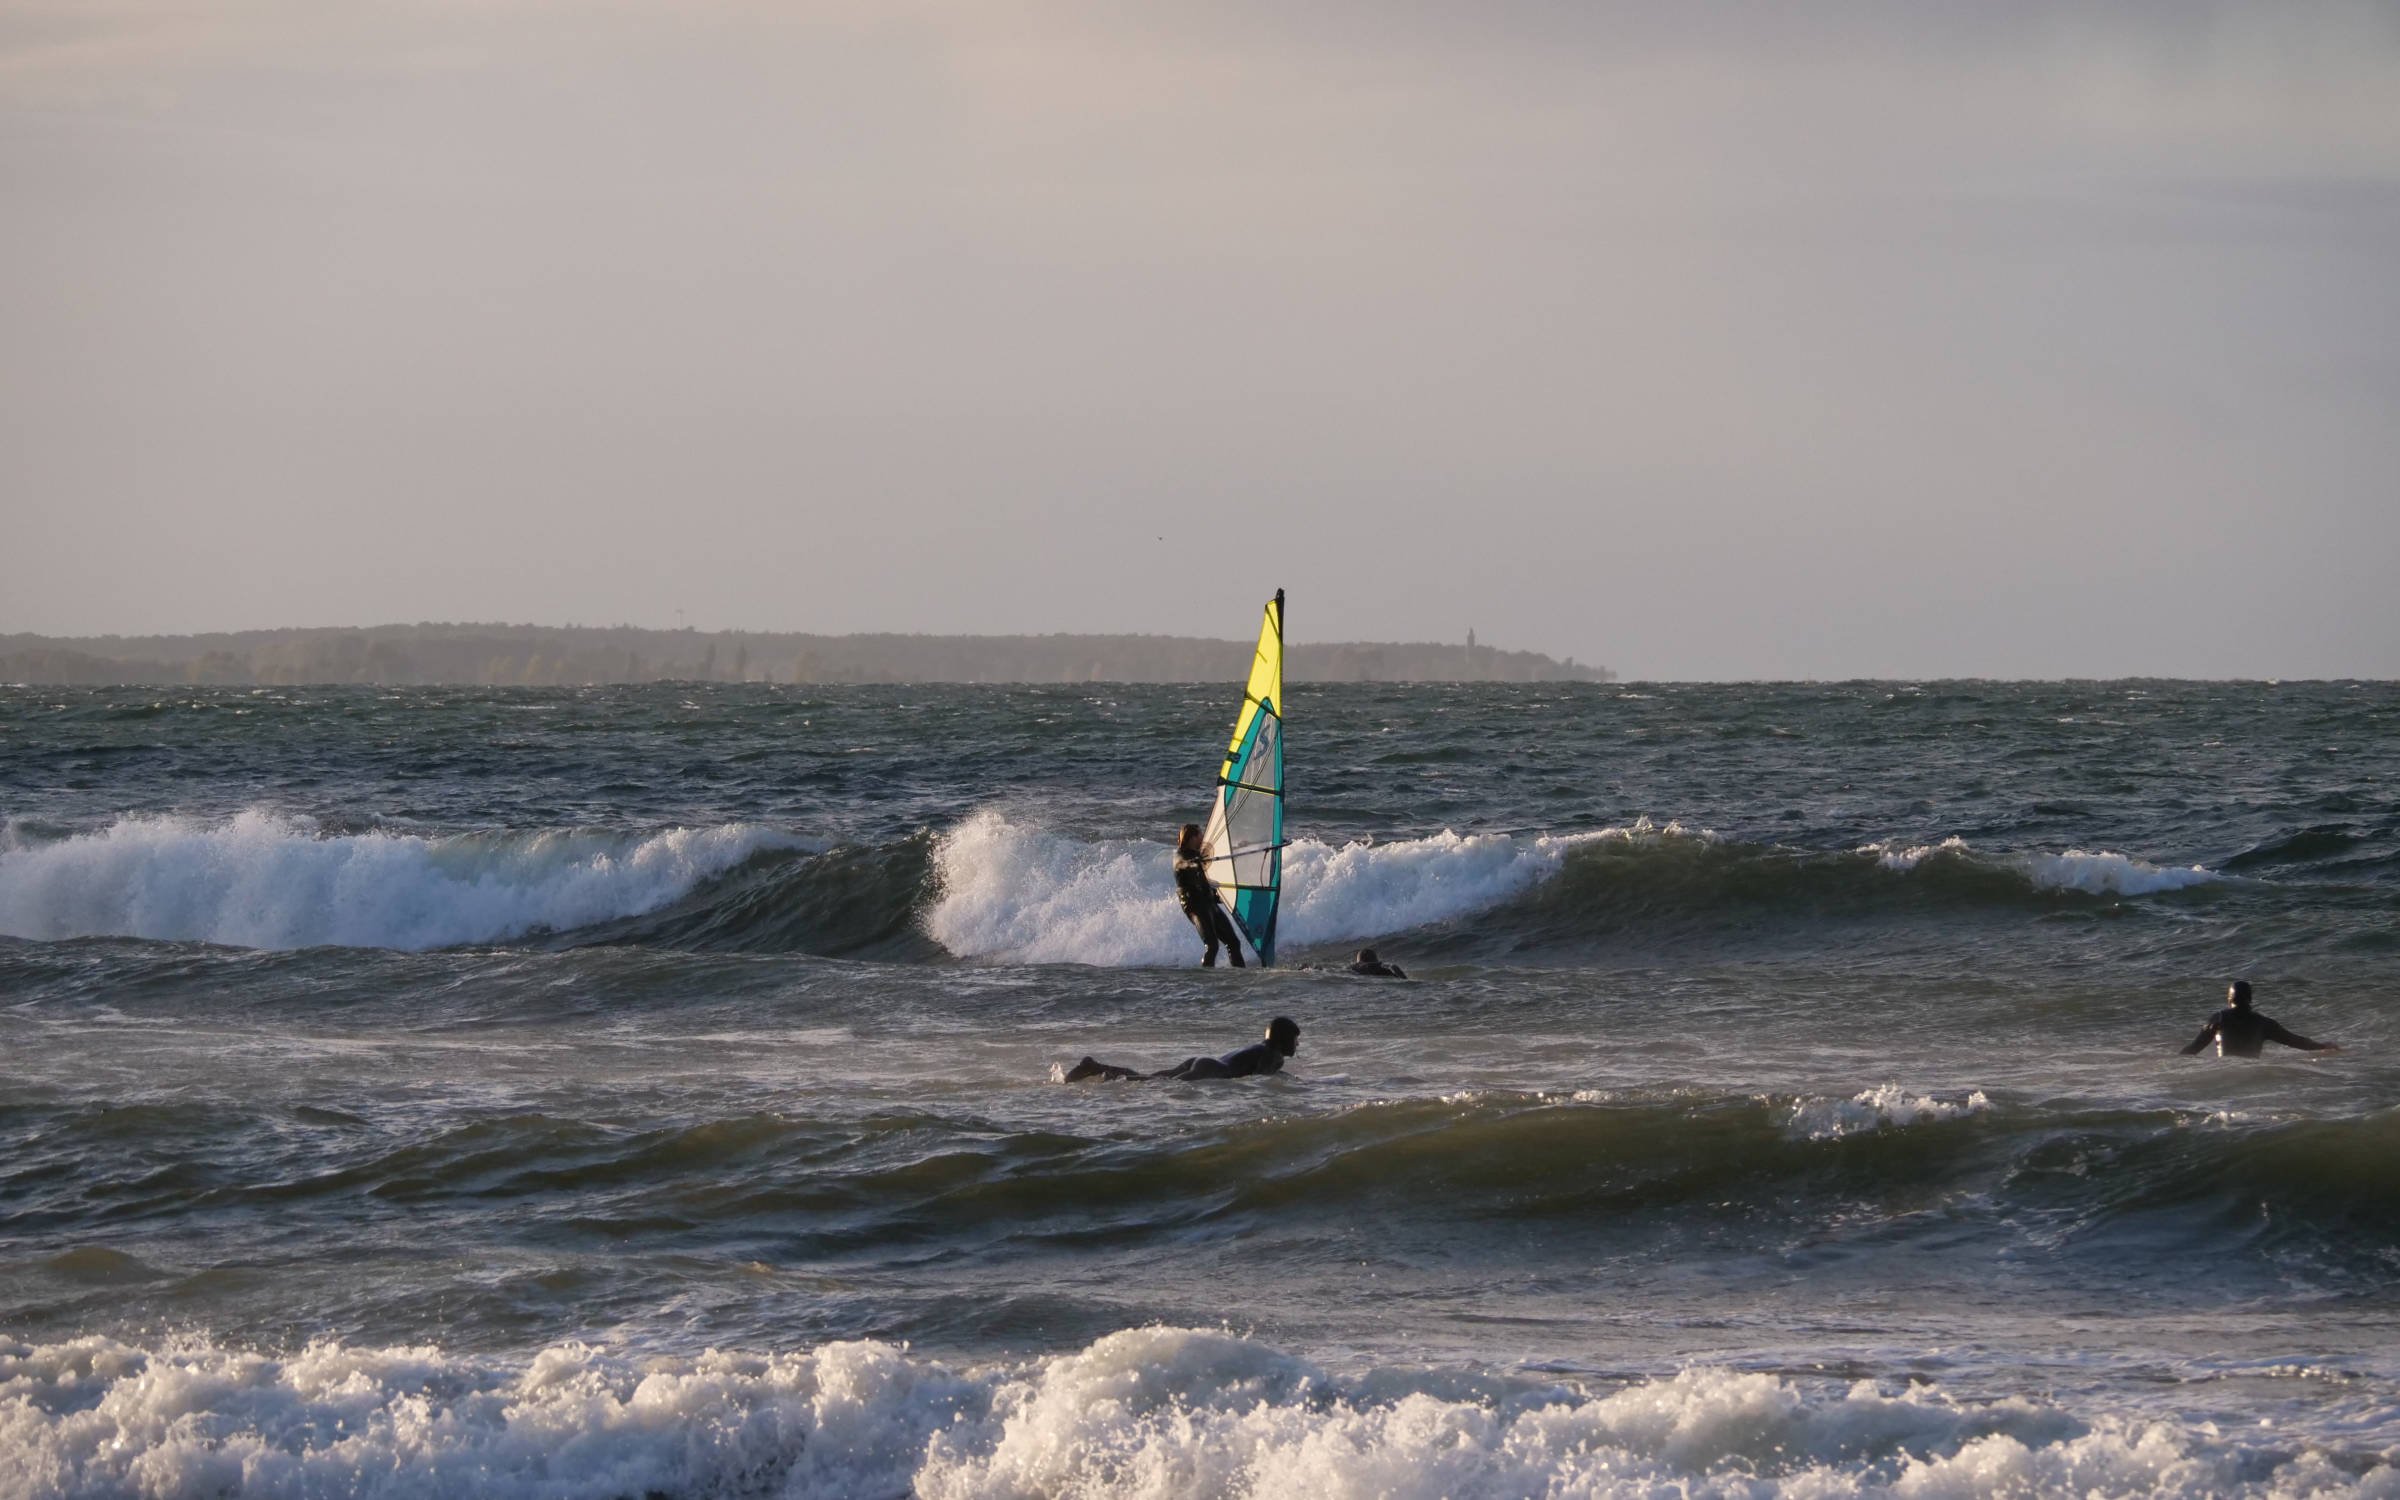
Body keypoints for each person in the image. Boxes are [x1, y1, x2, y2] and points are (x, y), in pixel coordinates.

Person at [1064, 1016, 1300, 1083]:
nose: (1297, 1045)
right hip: (1212, 1069)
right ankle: (1097, 1070)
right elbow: (1261, 1080)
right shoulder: (1274, 1055)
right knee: (1154, 1084)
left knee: (1152, 1078)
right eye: (1295, 1039)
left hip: (1204, 1061)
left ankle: (1095, 1067)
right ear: (1282, 1040)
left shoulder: (1261, 1047)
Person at [2178, 980, 2339, 1059]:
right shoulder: (2263, 1023)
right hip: (2251, 1074)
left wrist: (2172, 1064)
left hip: (2227, 1073)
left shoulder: (2219, 1018)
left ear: (2229, 999)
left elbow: (2194, 1048)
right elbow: (2296, 1041)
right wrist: (2324, 1046)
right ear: (2250, 999)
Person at [1174, 822, 1245, 968]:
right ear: (1192, 838)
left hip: (1209, 903)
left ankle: (1241, 973)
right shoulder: (1180, 856)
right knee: (1212, 945)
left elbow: (1217, 857)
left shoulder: (1199, 855)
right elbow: (1185, 864)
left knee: (1233, 942)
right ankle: (1206, 979)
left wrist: (1241, 846)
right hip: (1194, 906)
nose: (1203, 838)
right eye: (1200, 835)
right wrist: (1195, 862)